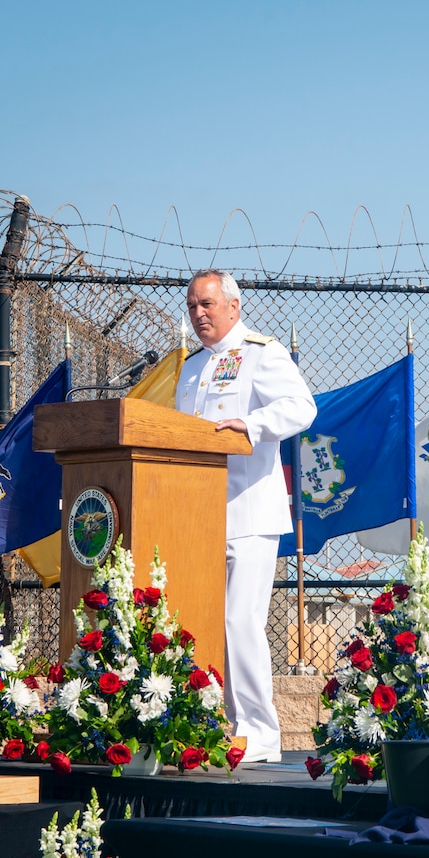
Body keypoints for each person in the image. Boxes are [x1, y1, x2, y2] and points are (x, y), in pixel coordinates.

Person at [176, 269, 317, 763]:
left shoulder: (262, 352)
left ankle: (260, 732)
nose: (199, 314)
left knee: (240, 621)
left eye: (208, 304)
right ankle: (221, 724)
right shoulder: (190, 366)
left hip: (251, 511)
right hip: (199, 514)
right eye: (192, 305)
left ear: (234, 306)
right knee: (206, 623)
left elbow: (302, 408)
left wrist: (252, 424)